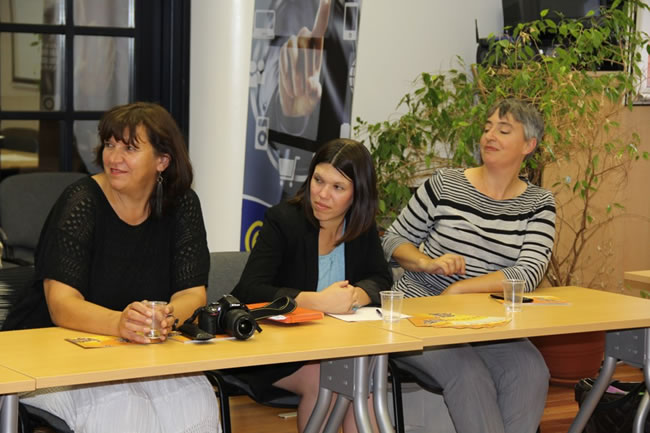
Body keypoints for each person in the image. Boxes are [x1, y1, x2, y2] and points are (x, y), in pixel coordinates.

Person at [2, 102, 220, 433]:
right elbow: (62, 305)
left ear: (162, 161)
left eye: (129, 148)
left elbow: (192, 293)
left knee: (196, 402)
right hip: (48, 351)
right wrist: (121, 323)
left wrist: (163, 318)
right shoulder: (81, 201)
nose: (113, 158)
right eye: (110, 144)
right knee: (123, 411)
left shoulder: (183, 204)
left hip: (138, 350)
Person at [382, 99, 556, 433]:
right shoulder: (445, 184)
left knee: (531, 370)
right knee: (468, 373)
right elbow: (392, 240)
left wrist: (461, 289)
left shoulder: (538, 203)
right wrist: (426, 263)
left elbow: (528, 273)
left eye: (503, 130)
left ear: (529, 145)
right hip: (420, 312)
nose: (490, 135)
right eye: (488, 127)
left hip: (487, 323)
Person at [232, 138, 392, 433]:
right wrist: (316, 301)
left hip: (334, 349)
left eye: (338, 187)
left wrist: (355, 295)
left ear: (358, 194)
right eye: (318, 180)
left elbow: (381, 279)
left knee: (363, 392)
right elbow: (250, 289)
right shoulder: (283, 220)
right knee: (329, 384)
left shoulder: (361, 226)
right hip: (276, 351)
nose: (322, 194)